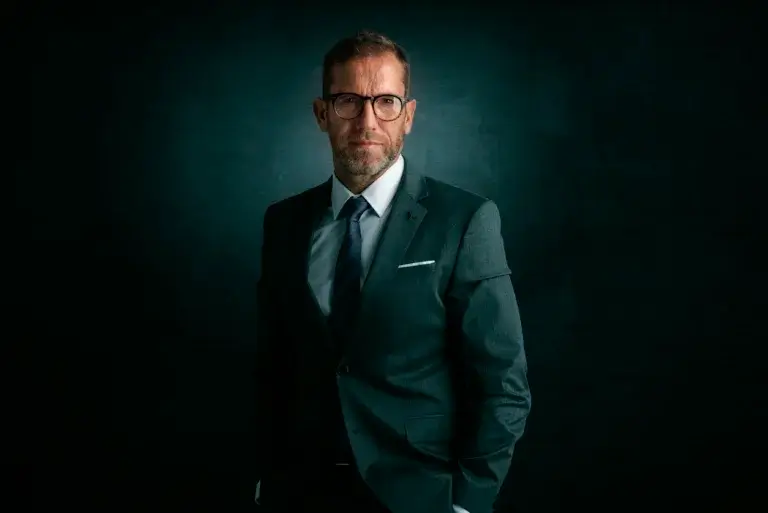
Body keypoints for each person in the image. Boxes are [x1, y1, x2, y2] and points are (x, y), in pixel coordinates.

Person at [253, 30, 531, 513]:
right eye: (347, 101)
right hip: (299, 492)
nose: (366, 121)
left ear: (408, 115)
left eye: (385, 101)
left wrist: (468, 501)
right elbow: (273, 365)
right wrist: (265, 476)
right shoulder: (284, 223)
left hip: (418, 493)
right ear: (322, 114)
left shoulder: (464, 220)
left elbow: (502, 385)